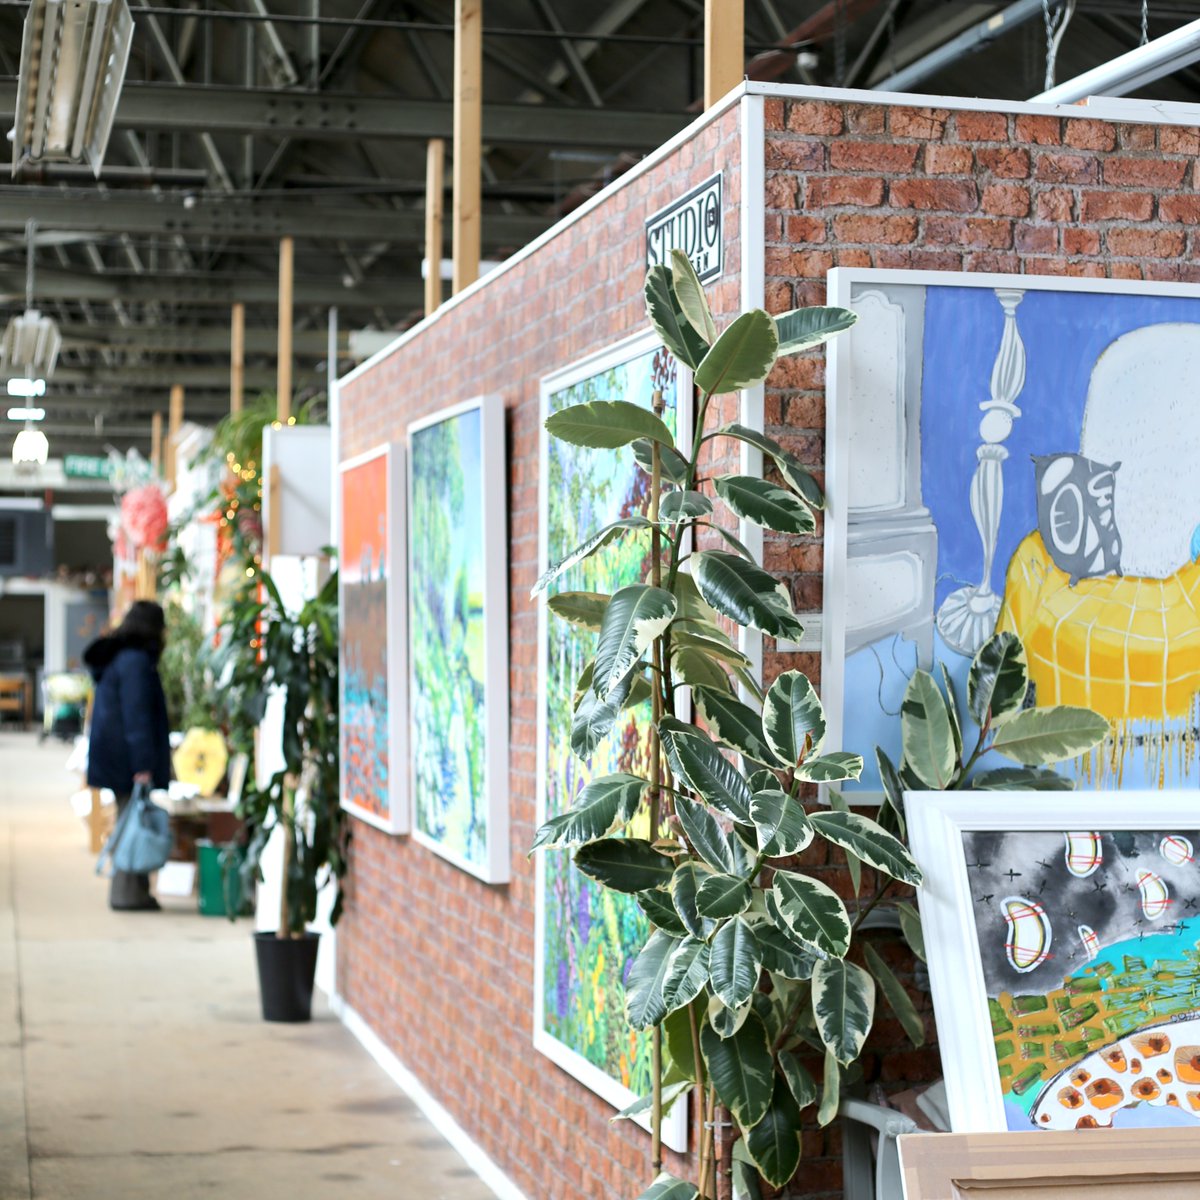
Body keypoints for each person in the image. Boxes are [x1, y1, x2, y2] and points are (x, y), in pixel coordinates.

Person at [84, 600, 172, 911]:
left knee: (131, 819)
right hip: (125, 759)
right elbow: (137, 717)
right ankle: (126, 893)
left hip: (114, 755)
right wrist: (143, 764)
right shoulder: (135, 661)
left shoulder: (121, 657)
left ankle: (134, 891)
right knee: (130, 822)